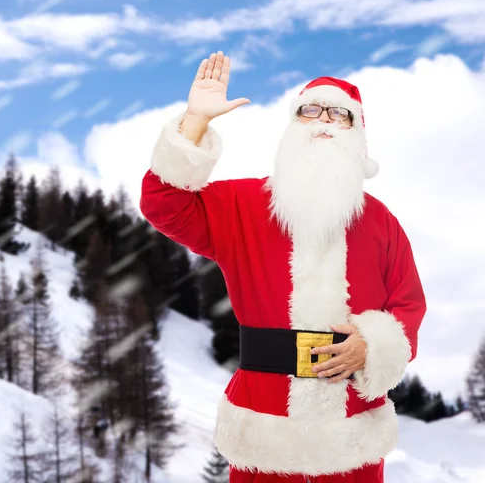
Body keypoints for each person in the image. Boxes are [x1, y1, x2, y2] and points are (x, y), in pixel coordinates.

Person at [139, 50, 427, 483]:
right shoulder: (242, 205)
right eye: (310, 111)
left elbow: (408, 305)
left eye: (340, 115)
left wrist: (371, 345)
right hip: (263, 428)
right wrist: (195, 121)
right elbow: (163, 203)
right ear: (293, 127)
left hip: (352, 436)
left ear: (357, 138)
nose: (324, 121)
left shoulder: (382, 222)